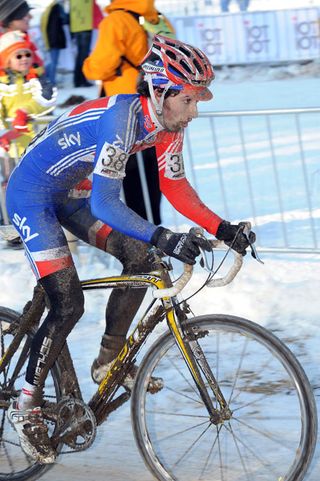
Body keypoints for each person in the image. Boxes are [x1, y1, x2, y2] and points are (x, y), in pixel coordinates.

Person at [6, 35, 255, 464]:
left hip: (70, 192)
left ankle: (108, 359)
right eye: (190, 100)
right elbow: (106, 204)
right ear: (161, 92)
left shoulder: (165, 123)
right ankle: (24, 405)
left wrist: (222, 227)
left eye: (197, 101)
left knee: (143, 259)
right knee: (67, 301)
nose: (194, 112)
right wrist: (163, 234)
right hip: (31, 195)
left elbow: (173, 185)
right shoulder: (121, 120)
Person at [83, 0, 175, 224]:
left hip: (127, 109)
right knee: (152, 173)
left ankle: (142, 235)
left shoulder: (116, 21)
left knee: (132, 175)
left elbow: (101, 64)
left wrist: (87, 66)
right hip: (156, 103)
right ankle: (154, 228)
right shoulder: (156, 18)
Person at [0, 30, 57, 225]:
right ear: (7, 60)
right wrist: (4, 133)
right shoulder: (2, 85)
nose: (24, 59)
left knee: (38, 185)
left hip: (36, 143)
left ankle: (40, 223)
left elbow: (48, 99)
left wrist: (26, 111)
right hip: (11, 148)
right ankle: (14, 225)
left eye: (27, 54)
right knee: (12, 185)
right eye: (18, 56)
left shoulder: (36, 80)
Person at [69, 0, 103, 88]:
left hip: (76, 28)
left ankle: (77, 80)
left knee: (80, 55)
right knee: (83, 56)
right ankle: (82, 80)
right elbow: (96, 11)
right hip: (85, 26)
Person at [0, 0, 43, 69]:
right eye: (25, 14)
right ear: (10, 21)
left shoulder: (22, 39)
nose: (31, 17)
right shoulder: (7, 47)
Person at [40, 0, 69, 86]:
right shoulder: (58, 7)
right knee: (53, 62)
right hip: (55, 39)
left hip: (50, 38)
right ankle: (51, 81)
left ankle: (48, 80)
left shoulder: (49, 8)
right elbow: (65, 19)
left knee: (50, 61)